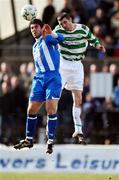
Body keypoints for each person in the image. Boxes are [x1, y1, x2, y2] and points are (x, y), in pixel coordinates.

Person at [53, 12, 106, 144]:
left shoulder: (83, 29)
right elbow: (51, 39)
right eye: (61, 24)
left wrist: (98, 46)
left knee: (78, 98)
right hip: (63, 64)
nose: (63, 25)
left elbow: (92, 39)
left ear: (70, 20)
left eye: (65, 22)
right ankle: (50, 126)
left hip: (77, 66)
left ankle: (78, 129)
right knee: (55, 95)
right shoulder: (58, 30)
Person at [14, 19, 64, 154]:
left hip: (52, 78)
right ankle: (29, 139)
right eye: (31, 28)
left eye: (36, 27)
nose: (33, 30)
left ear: (42, 28)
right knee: (31, 110)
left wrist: (51, 33)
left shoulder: (47, 39)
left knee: (51, 109)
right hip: (39, 79)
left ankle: (50, 141)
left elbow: (61, 39)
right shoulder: (35, 46)